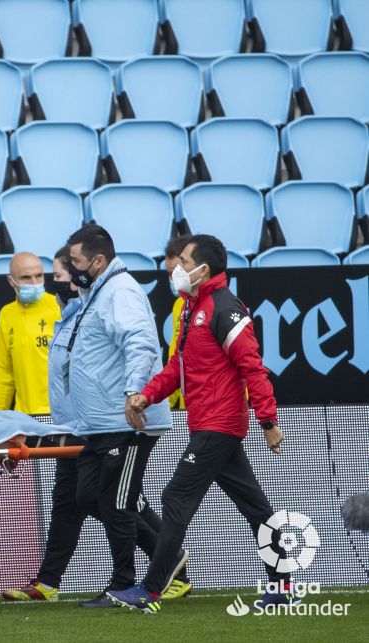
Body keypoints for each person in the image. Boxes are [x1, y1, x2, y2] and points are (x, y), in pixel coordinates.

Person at [108, 235, 290, 614]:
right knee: (255, 508)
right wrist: (147, 394)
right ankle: (283, 585)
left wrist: (268, 420)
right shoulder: (193, 306)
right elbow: (178, 367)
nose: (177, 268)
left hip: (218, 425)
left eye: (183, 260)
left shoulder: (226, 308)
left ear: (202, 269)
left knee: (175, 498)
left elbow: (252, 367)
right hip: (209, 424)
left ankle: (152, 589)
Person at [2, 244, 191, 607]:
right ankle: (50, 580)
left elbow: (133, 348)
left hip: (104, 419)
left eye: (54, 275)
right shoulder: (74, 309)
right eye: (59, 274)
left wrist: (134, 393)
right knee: (77, 500)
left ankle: (160, 560)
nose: (60, 280)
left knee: (109, 499)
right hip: (79, 419)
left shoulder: (103, 301)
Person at [59, 225, 186, 604]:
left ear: (98, 261)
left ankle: (123, 584)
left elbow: (141, 342)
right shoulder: (97, 292)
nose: (71, 268)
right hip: (102, 423)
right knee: (89, 497)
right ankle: (170, 558)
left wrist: (135, 394)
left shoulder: (120, 291)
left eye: (76, 261)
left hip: (127, 422)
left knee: (116, 502)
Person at [0, 252, 61, 416]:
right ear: (11, 280)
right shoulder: (7, 314)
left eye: (39, 275)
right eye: (26, 278)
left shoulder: (60, 308)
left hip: (59, 415)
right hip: (23, 417)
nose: (35, 283)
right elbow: (4, 374)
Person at [164, 235, 192, 410]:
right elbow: (175, 360)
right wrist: (165, 404)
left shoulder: (221, 305)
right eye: (168, 273)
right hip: (187, 410)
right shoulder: (178, 305)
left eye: (175, 272)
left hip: (220, 414)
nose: (172, 278)